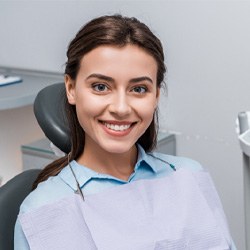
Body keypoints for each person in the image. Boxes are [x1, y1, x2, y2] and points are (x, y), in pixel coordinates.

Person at [14, 14, 236, 249]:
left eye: (139, 89)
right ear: (71, 88)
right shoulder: (43, 209)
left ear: (156, 96)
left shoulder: (188, 174)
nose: (121, 108)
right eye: (100, 87)